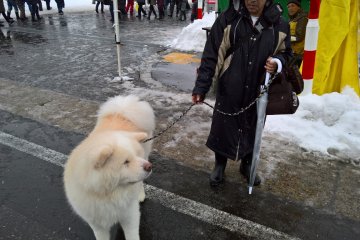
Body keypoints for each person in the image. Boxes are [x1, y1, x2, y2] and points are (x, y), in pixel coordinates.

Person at [192, 0, 292, 187]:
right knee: (223, 127)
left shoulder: (280, 24)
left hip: (257, 91)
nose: (251, 1)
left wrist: (278, 62)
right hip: (229, 87)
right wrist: (201, 87)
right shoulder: (228, 19)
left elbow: (287, 53)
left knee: (253, 128)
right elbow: (212, 55)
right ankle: (220, 164)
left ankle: (247, 165)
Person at [287, 0, 308, 67]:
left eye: (293, 6)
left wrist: (286, 38)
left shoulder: (303, 18)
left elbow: (299, 37)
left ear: (298, 7)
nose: (290, 8)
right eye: (288, 7)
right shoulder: (291, 20)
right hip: (292, 53)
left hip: (299, 55)